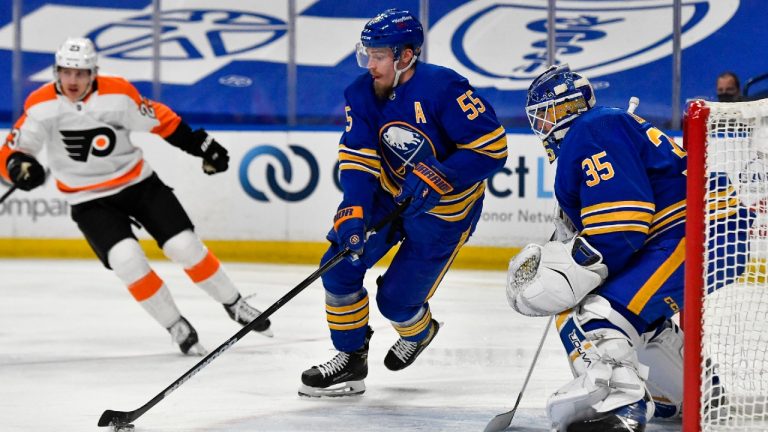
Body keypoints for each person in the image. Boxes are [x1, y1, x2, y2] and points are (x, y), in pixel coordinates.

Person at [506, 64, 752, 430]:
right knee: (636, 322)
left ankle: (619, 401)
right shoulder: (601, 129)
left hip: (693, 231)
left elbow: (624, 225)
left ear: (571, 107)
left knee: (598, 315)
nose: (543, 126)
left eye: (548, 114)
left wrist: (577, 265)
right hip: (700, 227)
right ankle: (692, 391)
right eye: (538, 119)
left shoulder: (590, 129)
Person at [0, 37, 272, 356]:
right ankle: (175, 324)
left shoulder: (118, 93)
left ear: (93, 73)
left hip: (139, 185)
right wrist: (18, 167)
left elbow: (160, 120)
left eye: (80, 73)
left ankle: (234, 303)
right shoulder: (40, 103)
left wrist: (199, 145)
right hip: (88, 200)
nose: (72, 81)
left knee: (184, 247)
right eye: (66, 72)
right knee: (126, 260)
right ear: (56, 72)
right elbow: (13, 151)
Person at [298, 9, 507, 398]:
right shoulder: (360, 94)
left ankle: (420, 330)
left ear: (406, 56)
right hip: (388, 194)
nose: (370, 64)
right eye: (367, 54)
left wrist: (439, 175)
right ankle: (350, 360)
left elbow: (491, 149)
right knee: (339, 265)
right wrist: (354, 209)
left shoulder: (445, 88)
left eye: (379, 55)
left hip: (445, 212)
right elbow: (359, 158)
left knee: (395, 303)